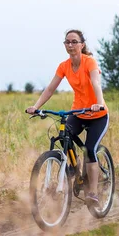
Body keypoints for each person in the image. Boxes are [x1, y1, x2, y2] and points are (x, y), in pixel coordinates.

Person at [26, 29, 109, 205]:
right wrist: (36, 107)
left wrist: (99, 103)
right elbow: (50, 89)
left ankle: (93, 193)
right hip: (78, 112)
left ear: (82, 45)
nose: (70, 45)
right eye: (67, 42)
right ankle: (73, 167)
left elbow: (96, 82)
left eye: (74, 42)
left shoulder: (90, 62)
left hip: (97, 114)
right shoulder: (64, 66)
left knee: (90, 149)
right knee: (64, 136)